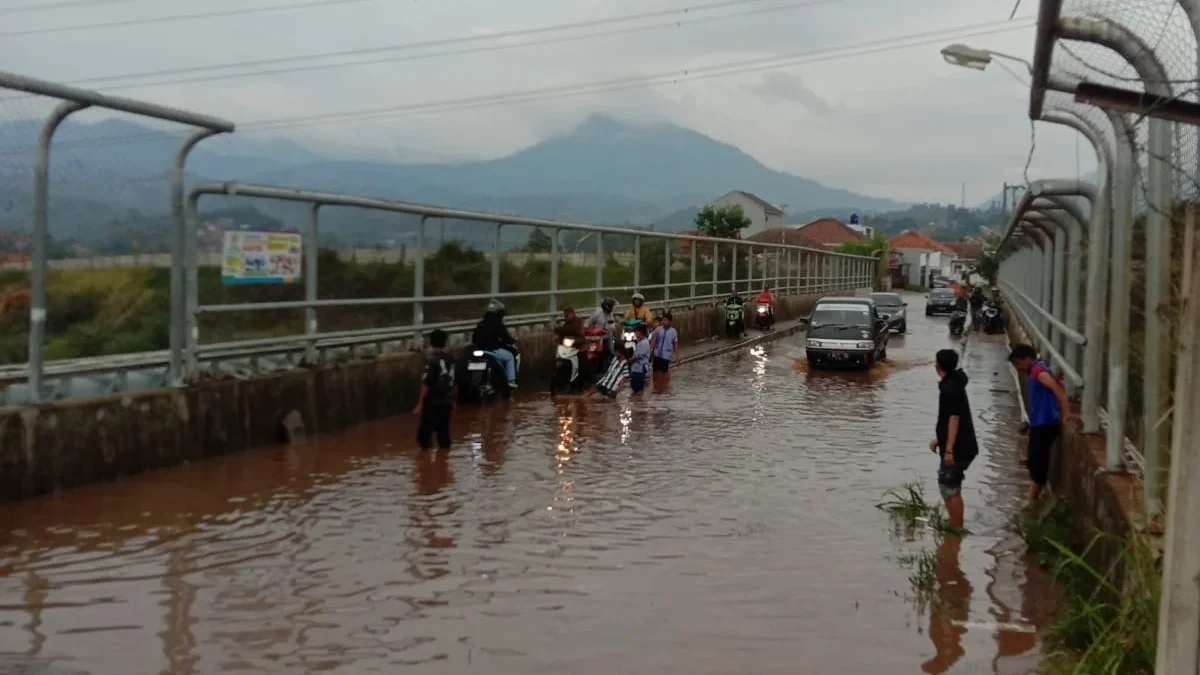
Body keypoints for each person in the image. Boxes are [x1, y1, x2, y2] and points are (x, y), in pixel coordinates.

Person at [1008, 344, 1072, 503]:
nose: (1018, 367)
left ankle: (1032, 502)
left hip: (1045, 424)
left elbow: (1058, 390)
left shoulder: (1038, 372)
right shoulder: (1037, 369)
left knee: (1038, 466)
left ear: (1028, 359)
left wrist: (1066, 413)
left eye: (1018, 363)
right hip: (1039, 423)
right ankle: (1035, 498)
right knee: (1034, 461)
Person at [929, 348, 978, 530]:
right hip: (962, 444)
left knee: (949, 485)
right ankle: (954, 523)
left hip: (959, 448)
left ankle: (956, 529)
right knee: (947, 484)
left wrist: (949, 449)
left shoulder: (950, 389)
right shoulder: (955, 382)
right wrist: (939, 440)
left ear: (938, 365)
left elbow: (954, 418)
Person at [413, 329, 455, 451]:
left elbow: (427, 383)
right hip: (447, 401)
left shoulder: (431, 361)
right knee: (444, 435)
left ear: (431, 343)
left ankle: (427, 464)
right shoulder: (451, 359)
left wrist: (420, 403)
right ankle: (443, 463)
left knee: (424, 437)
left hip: (433, 402)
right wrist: (453, 399)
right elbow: (455, 381)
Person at [471, 299, 518, 389]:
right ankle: (511, 381)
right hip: (492, 350)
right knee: (510, 357)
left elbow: (474, 339)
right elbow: (506, 339)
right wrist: (513, 341)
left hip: (478, 350)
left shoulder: (480, 324)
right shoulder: (498, 325)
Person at [649, 311, 680, 392]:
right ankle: (656, 388)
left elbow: (675, 344)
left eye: (666, 320)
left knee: (664, 372)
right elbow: (653, 341)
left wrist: (677, 357)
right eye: (663, 320)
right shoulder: (658, 330)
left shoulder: (673, 331)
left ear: (670, 321)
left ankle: (665, 388)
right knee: (655, 372)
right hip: (657, 354)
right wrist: (650, 350)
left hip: (666, 355)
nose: (664, 321)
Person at [586, 297, 619, 367]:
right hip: (596, 338)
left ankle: (610, 366)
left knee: (611, 351)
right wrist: (591, 332)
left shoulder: (610, 314)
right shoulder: (597, 313)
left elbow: (612, 325)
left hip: (607, 337)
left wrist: (613, 330)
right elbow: (589, 323)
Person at [629, 323, 651, 393]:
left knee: (639, 388)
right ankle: (638, 402)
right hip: (636, 368)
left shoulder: (644, 342)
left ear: (641, 332)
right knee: (634, 387)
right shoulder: (640, 342)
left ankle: (640, 402)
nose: (635, 333)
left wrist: (630, 360)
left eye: (636, 331)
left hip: (641, 367)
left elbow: (639, 356)